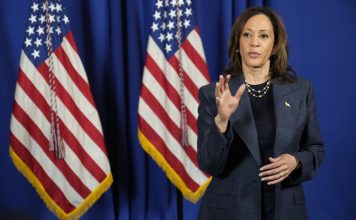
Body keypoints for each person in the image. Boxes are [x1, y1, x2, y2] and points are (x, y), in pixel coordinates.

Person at [197, 6, 324, 220]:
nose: (254, 42)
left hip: (286, 210)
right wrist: (222, 120)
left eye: (263, 36)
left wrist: (296, 161)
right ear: (238, 43)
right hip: (230, 211)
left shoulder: (301, 91)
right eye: (247, 34)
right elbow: (209, 164)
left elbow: (316, 148)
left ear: (274, 46)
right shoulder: (214, 94)